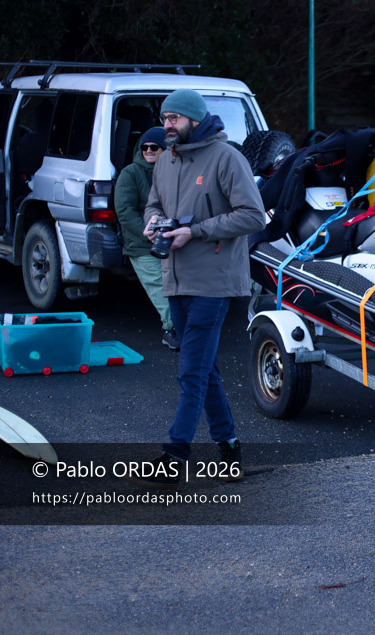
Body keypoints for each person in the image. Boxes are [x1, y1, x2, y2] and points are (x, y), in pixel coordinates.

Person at [127, 89, 266, 490]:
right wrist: (153, 223)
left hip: (214, 280)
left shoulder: (226, 158)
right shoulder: (167, 159)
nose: (167, 124)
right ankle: (230, 450)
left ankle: (175, 455)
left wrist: (197, 231)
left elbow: (253, 215)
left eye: (174, 118)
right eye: (164, 117)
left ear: (194, 119)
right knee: (205, 370)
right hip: (175, 275)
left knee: (191, 370)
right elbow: (153, 204)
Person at [113, 126, 179, 350]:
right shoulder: (131, 173)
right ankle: (172, 329)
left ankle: (186, 328)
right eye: (144, 147)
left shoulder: (173, 171)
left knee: (183, 284)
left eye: (154, 147)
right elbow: (124, 211)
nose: (149, 150)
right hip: (141, 245)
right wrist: (149, 233)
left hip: (173, 240)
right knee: (161, 287)